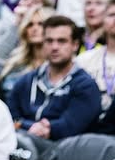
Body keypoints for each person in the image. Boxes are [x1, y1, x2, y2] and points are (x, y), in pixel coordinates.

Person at [6, 14, 102, 145]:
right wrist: (35, 127)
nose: (54, 47)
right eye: (49, 41)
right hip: (21, 144)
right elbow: (9, 117)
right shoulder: (26, 81)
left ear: (75, 45)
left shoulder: (86, 86)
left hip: (66, 151)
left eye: (61, 41)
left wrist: (48, 128)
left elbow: (71, 126)